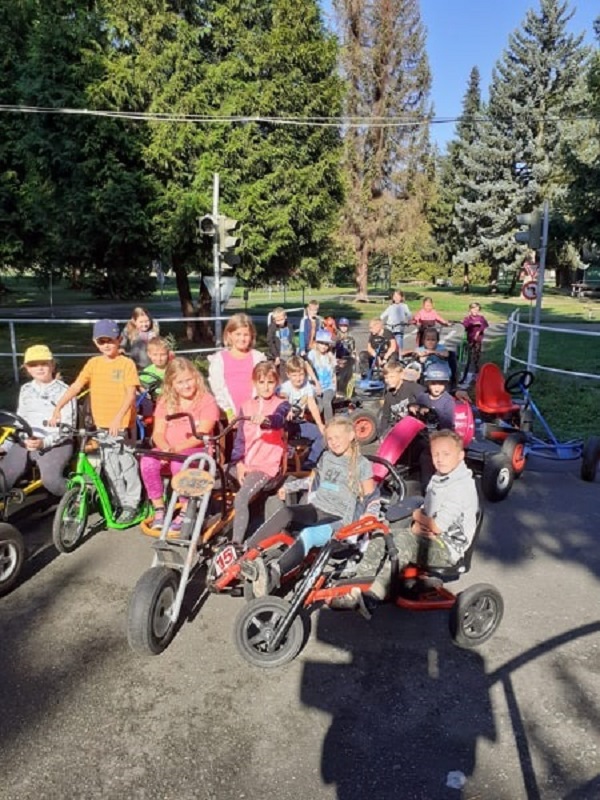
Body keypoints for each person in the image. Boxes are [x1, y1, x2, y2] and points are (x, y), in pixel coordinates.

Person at [331, 429, 479, 619]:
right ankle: (359, 583)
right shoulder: (440, 478)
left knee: (403, 543)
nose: (440, 459)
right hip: (432, 537)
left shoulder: (460, 487)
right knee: (382, 534)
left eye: (446, 454)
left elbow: (437, 526)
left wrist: (416, 516)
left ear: (460, 456)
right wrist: (418, 525)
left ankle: (373, 596)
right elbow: (428, 514)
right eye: (436, 454)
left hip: (448, 549)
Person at [240, 416, 376, 596]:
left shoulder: (361, 464)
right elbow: (312, 481)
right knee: (286, 512)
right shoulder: (327, 457)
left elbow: (372, 496)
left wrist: (370, 515)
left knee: (309, 534)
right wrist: (289, 487)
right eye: (330, 439)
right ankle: (246, 552)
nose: (333, 442)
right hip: (317, 509)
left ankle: (273, 574)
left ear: (351, 435)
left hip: (338, 519)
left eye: (337, 437)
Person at [49, 319, 142, 523]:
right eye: (102, 341)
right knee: (110, 465)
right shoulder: (94, 363)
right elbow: (76, 386)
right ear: (95, 342)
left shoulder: (126, 364)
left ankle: (132, 503)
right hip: (102, 425)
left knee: (126, 463)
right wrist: (58, 407)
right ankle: (118, 500)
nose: (106, 345)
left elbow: (130, 395)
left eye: (110, 340)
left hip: (122, 425)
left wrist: (118, 418)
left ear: (119, 339)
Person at [139, 358, 220, 530]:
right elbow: (158, 432)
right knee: (147, 461)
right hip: (169, 449)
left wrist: (174, 450)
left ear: (196, 378)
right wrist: (165, 449)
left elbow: (202, 434)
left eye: (189, 380)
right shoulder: (165, 401)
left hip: (196, 451)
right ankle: (159, 508)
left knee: (179, 463)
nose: (186, 386)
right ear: (172, 384)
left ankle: (185, 509)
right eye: (180, 382)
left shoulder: (206, 400)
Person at [0, 345, 77, 497]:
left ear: (52, 365)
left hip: (57, 443)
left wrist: (44, 443)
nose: (39, 368)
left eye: (44, 364)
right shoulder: (26, 389)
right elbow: (19, 421)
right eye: (34, 365)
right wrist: (6, 445)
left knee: (51, 481)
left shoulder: (65, 391)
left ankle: (78, 496)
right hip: (26, 440)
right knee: (3, 478)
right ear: (27, 369)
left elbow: (68, 428)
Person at [230, 362, 290, 546]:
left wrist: (266, 420)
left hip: (265, 466)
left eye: (270, 382)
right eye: (261, 382)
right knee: (210, 478)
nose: (266, 387)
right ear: (254, 383)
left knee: (241, 498)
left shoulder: (282, 404)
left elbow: (279, 419)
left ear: (276, 383)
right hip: (245, 463)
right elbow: (240, 439)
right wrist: (239, 463)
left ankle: (236, 543)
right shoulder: (247, 406)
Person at [208, 313, 266, 420]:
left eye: (246, 335)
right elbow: (217, 388)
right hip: (230, 414)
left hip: (255, 414)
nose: (242, 339)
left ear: (252, 336)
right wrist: (228, 411)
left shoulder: (258, 358)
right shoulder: (219, 360)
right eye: (238, 334)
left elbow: (264, 386)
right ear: (229, 335)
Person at [279, 355, 325, 469]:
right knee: (280, 436)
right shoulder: (285, 387)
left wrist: (320, 424)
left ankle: (310, 461)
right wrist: (287, 408)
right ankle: (281, 462)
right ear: (288, 375)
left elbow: (312, 404)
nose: (298, 378)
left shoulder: (307, 386)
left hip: (299, 422)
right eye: (294, 375)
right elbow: (283, 397)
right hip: (285, 424)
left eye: (301, 374)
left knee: (321, 434)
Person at [378, 361, 420, 436]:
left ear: (401, 375)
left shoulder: (412, 387)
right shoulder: (388, 396)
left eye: (392, 377)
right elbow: (385, 417)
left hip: (414, 428)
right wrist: (382, 435)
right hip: (399, 430)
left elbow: (426, 398)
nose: (388, 380)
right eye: (386, 378)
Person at [307, 329, 337, 422]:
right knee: (319, 407)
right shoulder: (312, 354)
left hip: (328, 387)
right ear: (317, 343)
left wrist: (335, 388)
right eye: (321, 343)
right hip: (315, 387)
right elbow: (307, 366)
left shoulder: (330, 356)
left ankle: (330, 424)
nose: (324, 346)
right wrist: (316, 384)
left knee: (326, 402)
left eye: (326, 344)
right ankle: (313, 423)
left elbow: (333, 375)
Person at [460, 302, 489, 385]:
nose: (475, 311)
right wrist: (471, 324)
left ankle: (477, 375)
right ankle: (464, 377)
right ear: (470, 309)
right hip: (470, 341)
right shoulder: (467, 318)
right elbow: (466, 325)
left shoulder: (481, 318)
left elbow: (484, 325)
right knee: (468, 360)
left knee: (476, 358)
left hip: (478, 342)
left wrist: (478, 331)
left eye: (477, 309)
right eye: (473, 309)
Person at [266, 307, 295, 375]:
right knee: (281, 375)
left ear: (285, 317)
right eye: (277, 321)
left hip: (289, 355)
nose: (280, 322)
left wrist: (294, 352)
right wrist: (276, 356)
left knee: (290, 373)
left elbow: (292, 340)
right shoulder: (272, 327)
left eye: (281, 320)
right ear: (274, 320)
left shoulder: (289, 326)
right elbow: (270, 342)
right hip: (279, 356)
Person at [334, 317, 356, 398]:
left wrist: (354, 356)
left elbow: (353, 350)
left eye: (345, 326)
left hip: (348, 357)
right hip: (338, 358)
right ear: (339, 326)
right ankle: (340, 390)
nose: (343, 327)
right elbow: (333, 350)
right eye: (342, 325)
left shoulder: (351, 337)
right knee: (340, 371)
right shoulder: (336, 337)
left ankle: (348, 391)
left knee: (349, 369)